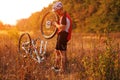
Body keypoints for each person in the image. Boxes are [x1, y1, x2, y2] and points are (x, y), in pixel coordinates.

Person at [51, 1, 72, 73]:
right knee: (57, 51)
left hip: (63, 35)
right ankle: (56, 67)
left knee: (62, 53)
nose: (56, 12)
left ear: (60, 9)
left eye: (56, 11)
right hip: (61, 35)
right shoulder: (63, 16)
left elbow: (62, 27)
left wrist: (55, 24)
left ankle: (62, 70)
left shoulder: (64, 17)